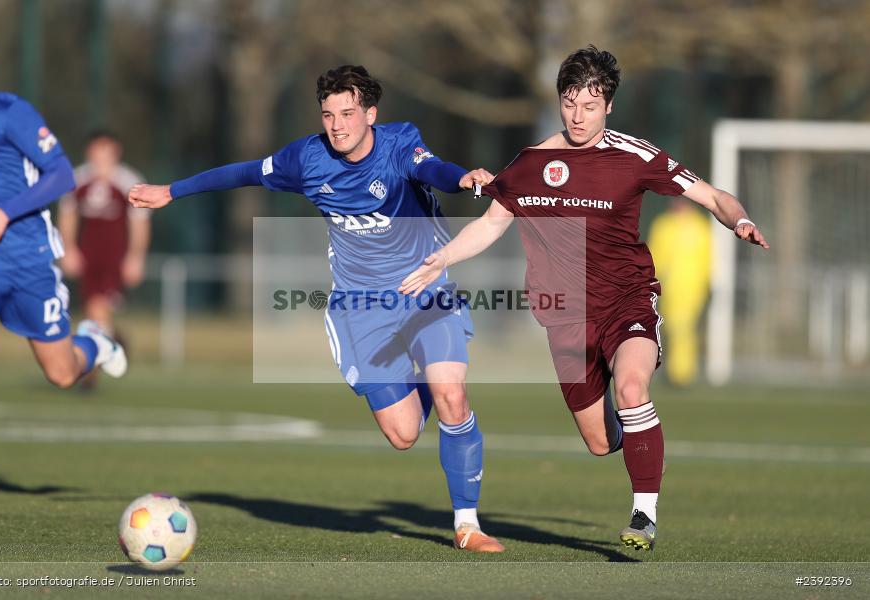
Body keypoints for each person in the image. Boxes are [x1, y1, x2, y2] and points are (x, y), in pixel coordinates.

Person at [400, 46, 769, 551]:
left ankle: (644, 514)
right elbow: (490, 225)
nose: (577, 115)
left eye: (589, 105)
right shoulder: (530, 164)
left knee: (633, 388)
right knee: (600, 441)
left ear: (609, 106)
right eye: (569, 102)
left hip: (628, 300)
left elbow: (713, 197)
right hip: (566, 320)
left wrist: (741, 220)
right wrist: (442, 259)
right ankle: (634, 436)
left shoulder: (634, 156)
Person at [128, 65, 504, 552]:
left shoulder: (398, 144)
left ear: (371, 113)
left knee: (451, 395)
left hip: (427, 291)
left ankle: (467, 525)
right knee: (404, 433)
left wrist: (463, 179)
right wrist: (171, 191)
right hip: (361, 308)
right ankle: (424, 381)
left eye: (348, 113)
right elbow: (243, 173)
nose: (338, 125)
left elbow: (433, 170)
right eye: (328, 114)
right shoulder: (306, 159)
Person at [0, 24, 127, 498]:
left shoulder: (8, 111)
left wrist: (4, 212)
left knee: (60, 373)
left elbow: (60, 174)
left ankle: (95, 344)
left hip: (25, 260)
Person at [58, 132, 150, 354]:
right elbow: (67, 216)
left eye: (105, 150)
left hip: (115, 257)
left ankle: (93, 363)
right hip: (88, 255)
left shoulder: (129, 181)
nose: (100, 156)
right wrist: (68, 250)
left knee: (98, 307)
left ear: (116, 152)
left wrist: (136, 257)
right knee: (93, 309)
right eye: (96, 150)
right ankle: (113, 343)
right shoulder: (78, 179)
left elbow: (140, 223)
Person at [647, 197, 712, 386]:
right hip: (668, 285)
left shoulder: (700, 226)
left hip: (692, 286)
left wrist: (709, 281)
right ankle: (678, 370)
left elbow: (707, 257)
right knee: (673, 328)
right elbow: (655, 254)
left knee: (681, 327)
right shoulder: (664, 225)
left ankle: (680, 373)